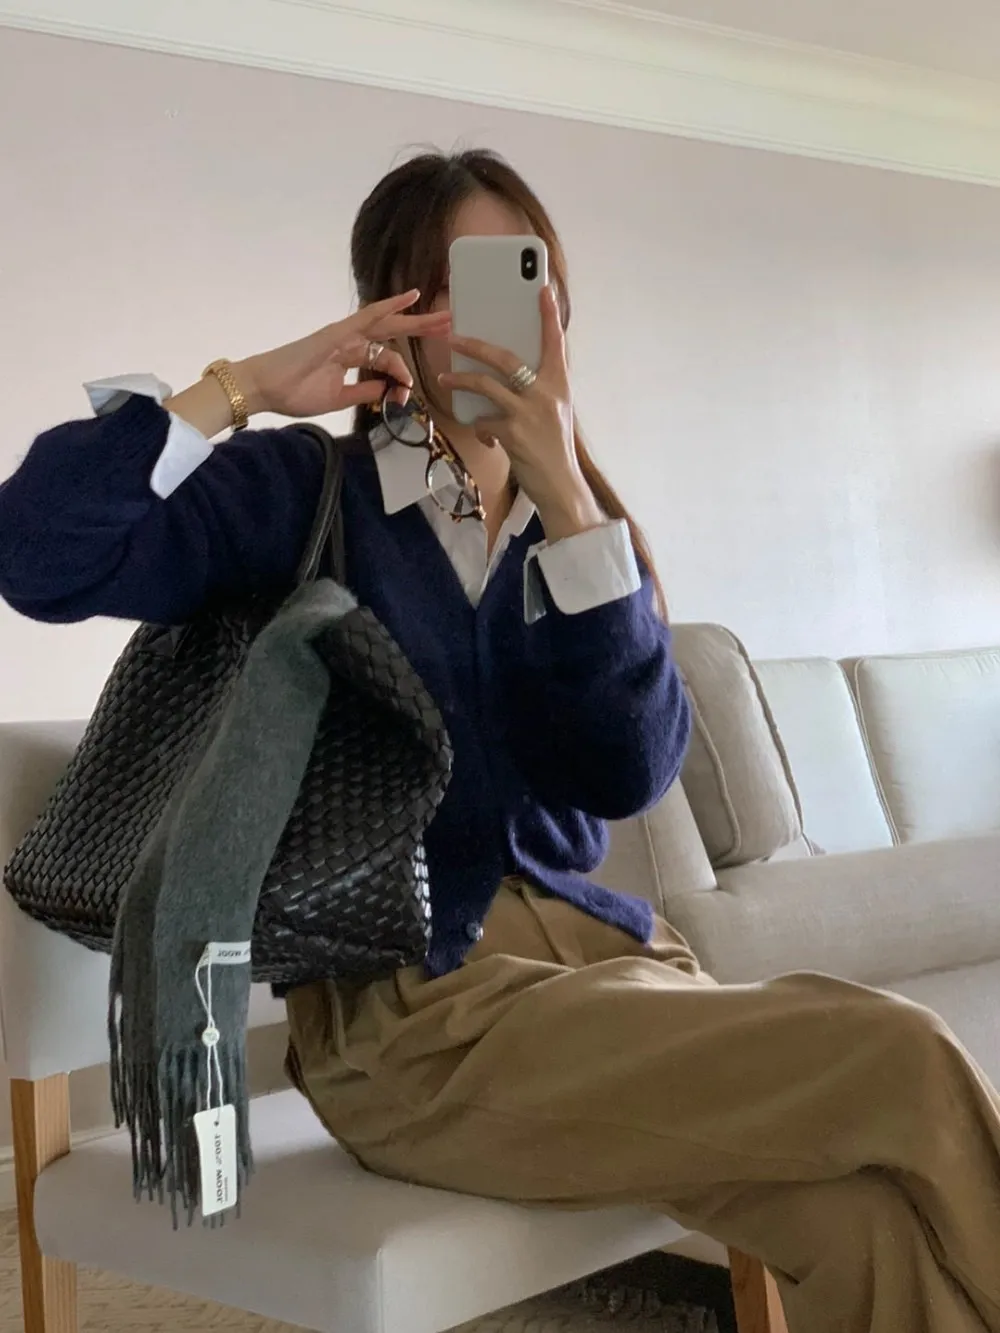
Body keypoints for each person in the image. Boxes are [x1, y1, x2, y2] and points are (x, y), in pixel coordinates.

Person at [2, 148, 999, 1333]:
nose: (491, 321)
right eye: (448, 288)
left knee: (863, 1222)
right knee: (900, 1053)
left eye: (521, 280)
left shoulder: (574, 532)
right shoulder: (303, 495)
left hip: (615, 978)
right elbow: (41, 550)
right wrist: (247, 383)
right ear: (392, 313)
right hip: (414, 1025)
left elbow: (628, 773)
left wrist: (568, 500)